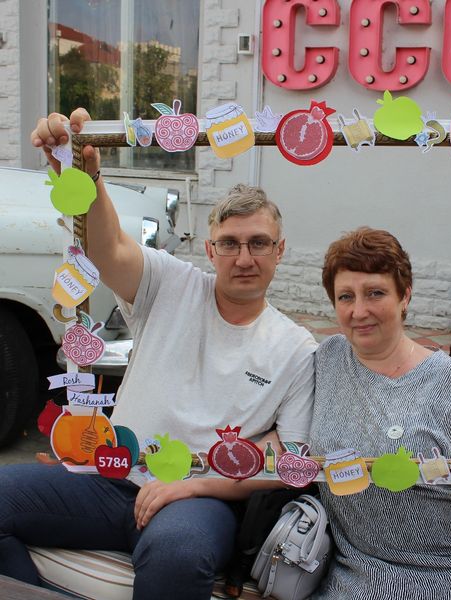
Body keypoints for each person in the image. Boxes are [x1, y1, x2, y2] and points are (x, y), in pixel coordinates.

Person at [0, 110, 317, 600]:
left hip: (196, 502)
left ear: (280, 251)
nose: (245, 258)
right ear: (210, 252)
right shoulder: (172, 284)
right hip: (111, 479)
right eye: (230, 244)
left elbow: (284, 462)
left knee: (178, 556)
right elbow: (109, 250)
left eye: (259, 243)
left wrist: (192, 487)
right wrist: (90, 175)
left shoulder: (295, 347)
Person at [309, 227, 451, 600]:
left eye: (375, 293)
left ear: (405, 296)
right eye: (345, 296)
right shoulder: (326, 360)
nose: (358, 311)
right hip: (366, 565)